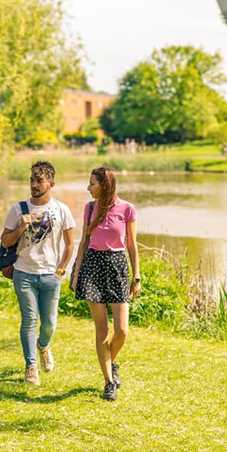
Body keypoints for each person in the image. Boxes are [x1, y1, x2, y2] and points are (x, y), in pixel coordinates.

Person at [0, 161, 75, 385]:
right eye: (31, 180)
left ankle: (43, 346)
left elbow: (70, 244)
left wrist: (61, 270)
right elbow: (5, 241)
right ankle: (31, 365)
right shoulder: (18, 209)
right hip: (24, 273)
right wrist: (20, 227)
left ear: (51, 183)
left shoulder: (62, 209)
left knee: (50, 323)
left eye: (39, 180)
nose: (34, 184)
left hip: (51, 275)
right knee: (29, 320)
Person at [72, 166, 140, 401]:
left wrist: (136, 276)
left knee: (122, 330)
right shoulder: (90, 208)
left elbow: (132, 246)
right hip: (92, 265)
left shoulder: (127, 209)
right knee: (102, 329)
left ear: (105, 185)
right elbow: (83, 242)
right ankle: (109, 382)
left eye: (92, 183)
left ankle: (111, 362)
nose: (88, 188)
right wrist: (76, 274)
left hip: (118, 266)